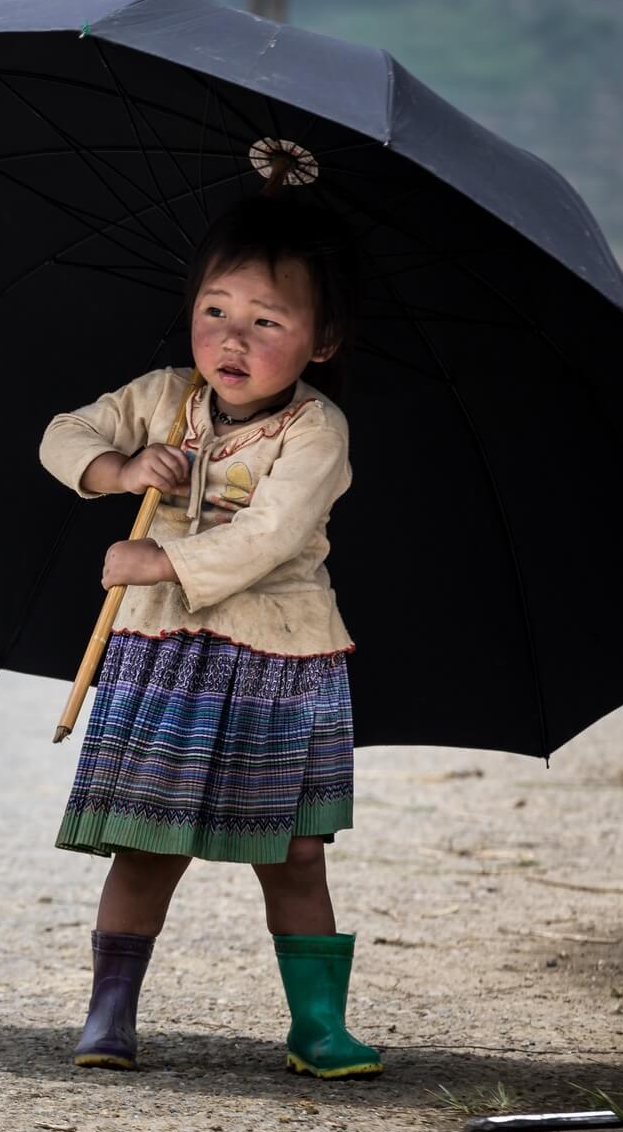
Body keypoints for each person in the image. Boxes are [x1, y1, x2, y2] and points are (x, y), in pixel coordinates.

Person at [36, 191, 381, 1080]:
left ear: (323, 341)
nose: (233, 339)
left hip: (282, 657)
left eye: (267, 321)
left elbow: (269, 535)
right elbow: (61, 434)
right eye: (215, 312)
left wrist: (158, 561)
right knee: (148, 838)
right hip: (168, 657)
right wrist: (116, 467)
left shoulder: (317, 432)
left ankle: (317, 1025)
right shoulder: (161, 399)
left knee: (296, 850)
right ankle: (109, 1013)